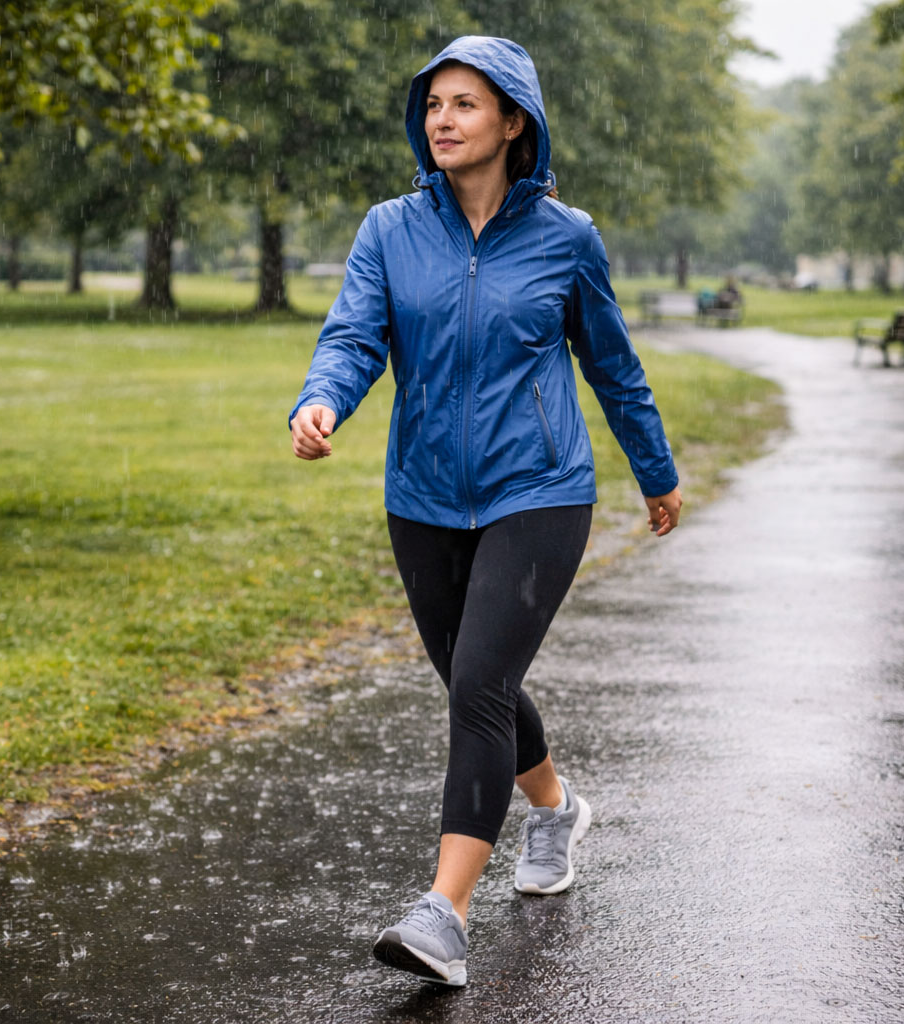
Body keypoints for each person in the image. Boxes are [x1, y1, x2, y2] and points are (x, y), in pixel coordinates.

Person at [289, 36, 682, 987]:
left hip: (540, 489)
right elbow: (355, 334)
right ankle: (554, 809)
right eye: (433, 105)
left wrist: (655, 470)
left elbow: (612, 365)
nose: (443, 120)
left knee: (477, 684)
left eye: (466, 104)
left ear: (514, 122)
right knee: (480, 682)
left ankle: (444, 915)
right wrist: (323, 399)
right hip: (423, 496)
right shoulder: (391, 228)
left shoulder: (566, 238)